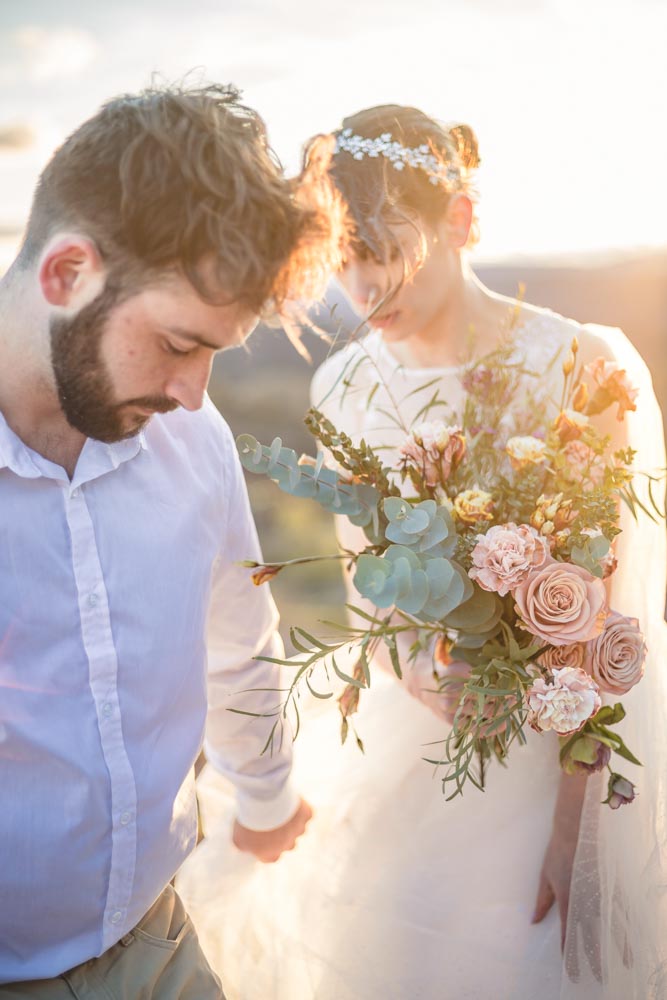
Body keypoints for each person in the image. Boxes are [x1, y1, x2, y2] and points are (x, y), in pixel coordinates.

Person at [176, 105, 667, 999]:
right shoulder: (343, 384)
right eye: (341, 266)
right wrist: (413, 666)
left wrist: (576, 829)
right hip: (424, 744)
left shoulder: (579, 368)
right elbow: (374, 585)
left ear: (461, 220)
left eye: (386, 257)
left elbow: (612, 618)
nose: (363, 292)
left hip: (568, 755)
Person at [0, 83, 344, 996]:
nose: (193, 394)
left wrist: (266, 796)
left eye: (215, 357)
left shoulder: (191, 440)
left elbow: (238, 640)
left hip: (162, 943)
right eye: (177, 344)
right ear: (66, 273)